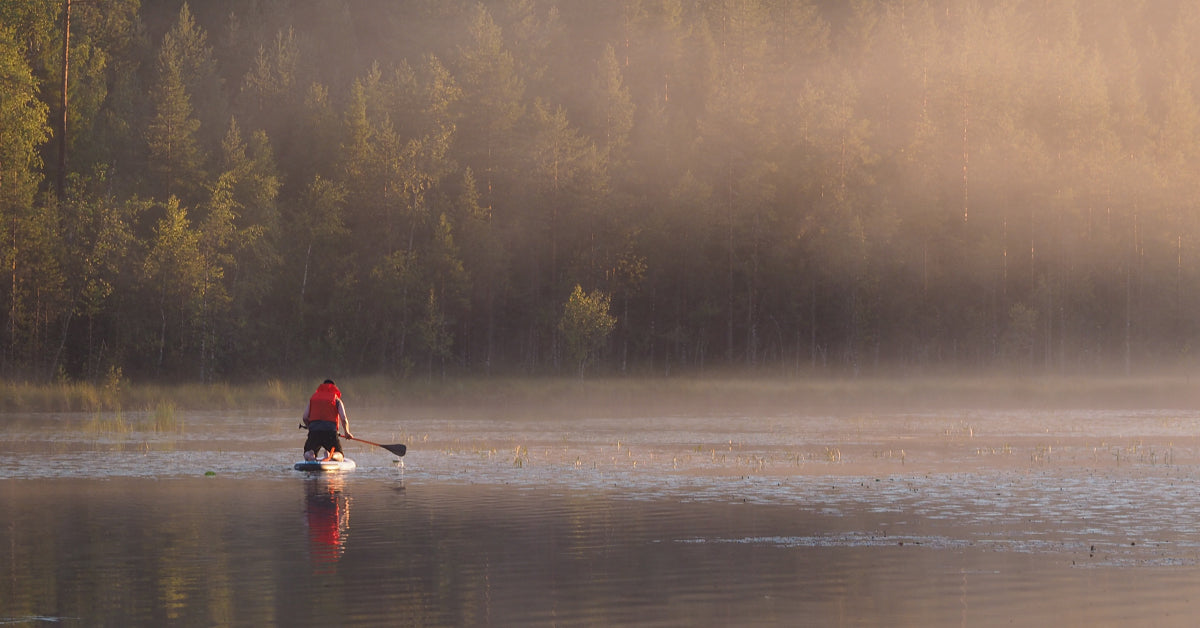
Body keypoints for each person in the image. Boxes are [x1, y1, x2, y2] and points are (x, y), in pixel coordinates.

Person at [302, 379, 354, 461]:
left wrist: (310, 428)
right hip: (330, 432)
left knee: (307, 452)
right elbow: (343, 419)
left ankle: (311, 455)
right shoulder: (336, 400)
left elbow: (305, 417)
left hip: (314, 432)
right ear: (334, 388)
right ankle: (331, 455)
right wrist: (347, 432)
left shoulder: (313, 399)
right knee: (339, 454)